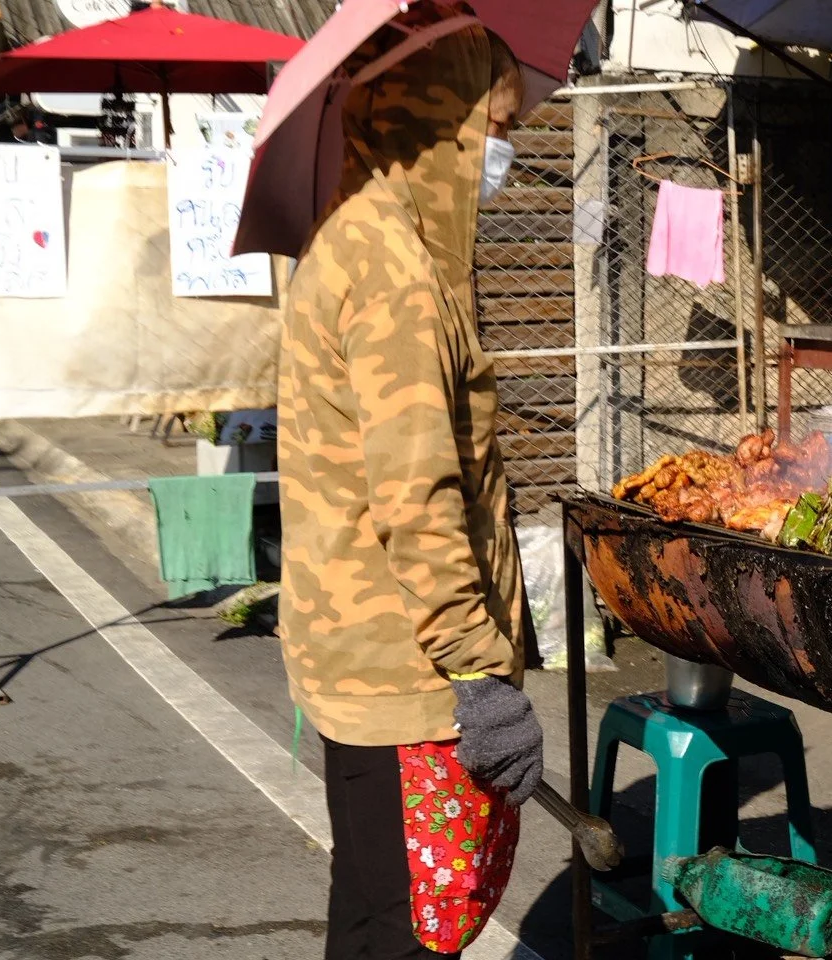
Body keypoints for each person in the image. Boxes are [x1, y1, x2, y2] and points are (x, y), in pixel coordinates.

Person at [275, 8, 537, 959]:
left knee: (372, 910)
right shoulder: (393, 271)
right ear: (443, 121)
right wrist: (478, 673)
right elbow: (417, 498)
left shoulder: (361, 232)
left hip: (368, 650)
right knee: (411, 931)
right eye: (495, 129)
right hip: (406, 673)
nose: (504, 155)